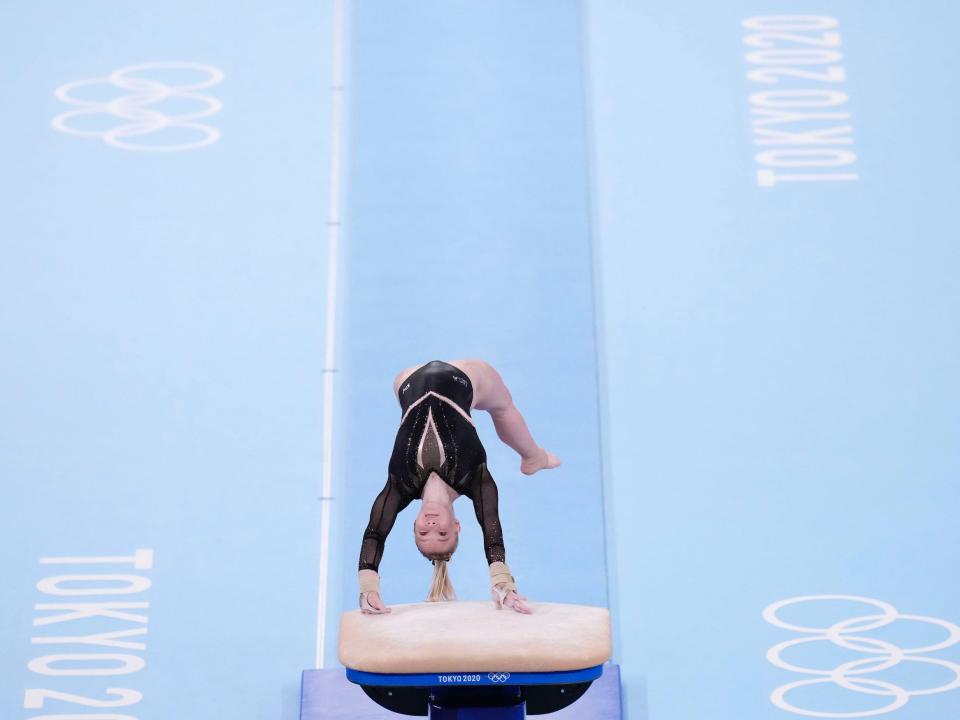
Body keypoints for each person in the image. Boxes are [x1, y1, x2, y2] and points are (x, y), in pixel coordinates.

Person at [357, 359, 560, 616]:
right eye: (442, 535)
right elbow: (492, 529)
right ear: (457, 526)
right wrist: (501, 583)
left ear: (413, 526)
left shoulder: (400, 485)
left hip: (408, 380)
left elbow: (375, 532)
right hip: (464, 375)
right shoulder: (475, 480)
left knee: (411, 385)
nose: (432, 528)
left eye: (423, 534)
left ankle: (534, 459)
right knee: (503, 406)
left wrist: (368, 588)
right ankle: (534, 458)